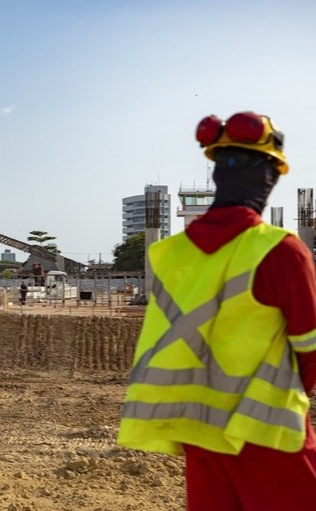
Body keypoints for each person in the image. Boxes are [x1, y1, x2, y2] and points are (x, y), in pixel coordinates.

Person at [117, 111, 316, 510]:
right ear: (270, 176)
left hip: (198, 430)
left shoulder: (170, 255)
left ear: (216, 177)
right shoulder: (281, 251)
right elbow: (310, 352)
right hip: (266, 431)